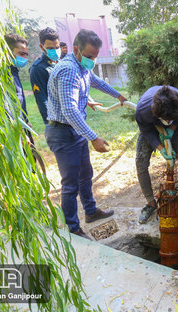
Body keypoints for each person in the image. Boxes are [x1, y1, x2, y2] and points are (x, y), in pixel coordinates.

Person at [45, 29, 127, 239]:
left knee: (85, 175)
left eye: (95, 56)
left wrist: (118, 95)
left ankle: (90, 212)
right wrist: (93, 137)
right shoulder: (68, 70)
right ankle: (73, 229)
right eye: (90, 56)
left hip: (75, 130)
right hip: (62, 133)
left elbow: (96, 81)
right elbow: (69, 110)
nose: (92, 60)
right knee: (70, 184)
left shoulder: (82, 65)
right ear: (76, 50)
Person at [135, 85, 178, 227]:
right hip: (151, 127)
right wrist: (160, 148)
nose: (167, 122)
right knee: (140, 163)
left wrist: (171, 128)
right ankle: (151, 203)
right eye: (165, 120)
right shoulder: (143, 110)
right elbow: (146, 131)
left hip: (175, 127)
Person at [29, 27, 61, 125]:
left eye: (57, 47)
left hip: (71, 117)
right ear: (42, 47)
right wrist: (51, 124)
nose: (55, 51)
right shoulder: (37, 68)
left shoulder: (60, 63)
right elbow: (42, 100)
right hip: (56, 121)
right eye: (50, 48)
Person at [4, 33, 29, 124]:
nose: (25, 58)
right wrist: (14, 124)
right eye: (22, 54)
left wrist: (26, 120)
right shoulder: (2, 74)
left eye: (26, 54)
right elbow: (4, 104)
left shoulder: (14, 71)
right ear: (8, 51)